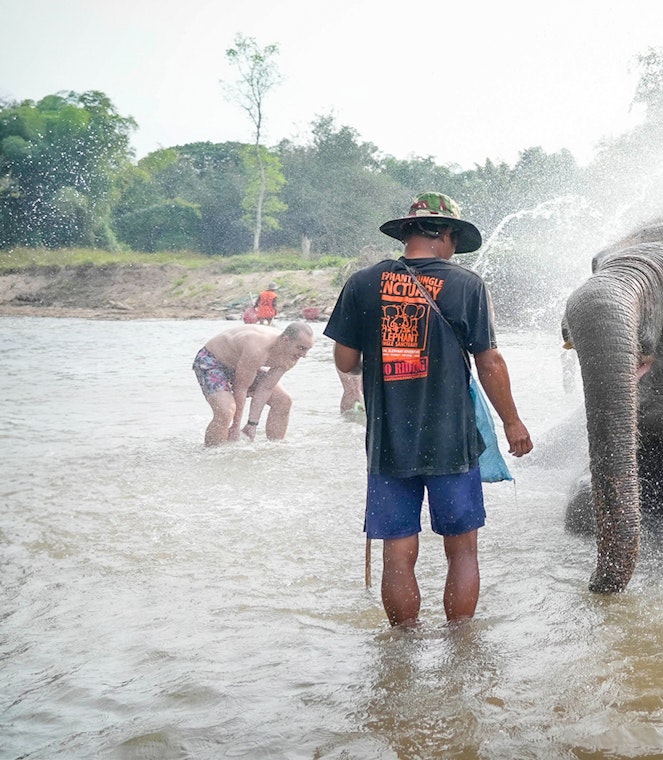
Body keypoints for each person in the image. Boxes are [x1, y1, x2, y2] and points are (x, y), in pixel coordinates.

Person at [324, 192, 533, 627]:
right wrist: (513, 422)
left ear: (409, 231)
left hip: (387, 444)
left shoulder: (362, 283)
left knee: (397, 553)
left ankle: (401, 650)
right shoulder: (465, 285)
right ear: (447, 235)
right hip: (451, 441)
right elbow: (489, 361)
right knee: (462, 549)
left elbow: (345, 363)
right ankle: (460, 646)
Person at [192, 321, 315, 447]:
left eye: (307, 350)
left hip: (243, 364)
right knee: (226, 411)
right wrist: (236, 426)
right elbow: (241, 387)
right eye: (301, 348)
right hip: (212, 360)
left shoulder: (291, 356)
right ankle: (212, 454)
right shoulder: (257, 349)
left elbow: (266, 388)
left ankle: (275, 448)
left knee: (283, 401)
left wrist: (252, 425)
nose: (304, 355)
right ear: (286, 340)